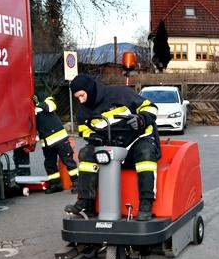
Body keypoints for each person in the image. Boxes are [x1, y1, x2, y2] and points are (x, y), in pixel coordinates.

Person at [66, 74, 160, 221]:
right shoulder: (83, 110)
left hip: (136, 141)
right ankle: (86, 203)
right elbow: (85, 131)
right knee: (86, 153)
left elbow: (151, 108)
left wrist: (141, 120)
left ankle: (146, 203)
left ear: (90, 90)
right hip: (109, 148)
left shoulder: (121, 93)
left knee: (145, 152)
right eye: (77, 97)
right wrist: (96, 139)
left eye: (82, 95)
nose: (81, 100)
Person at [34, 93, 78, 193]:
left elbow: (51, 107)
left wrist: (38, 103)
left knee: (68, 161)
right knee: (49, 164)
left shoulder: (43, 96)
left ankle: (77, 183)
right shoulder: (29, 104)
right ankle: (56, 185)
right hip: (46, 142)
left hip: (59, 138)